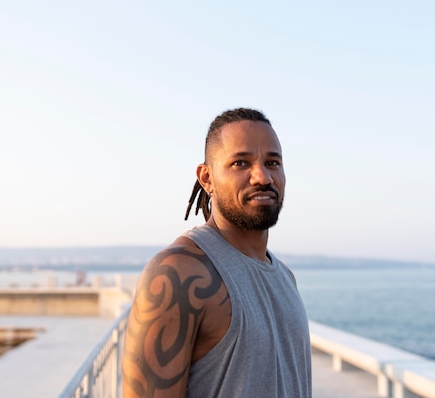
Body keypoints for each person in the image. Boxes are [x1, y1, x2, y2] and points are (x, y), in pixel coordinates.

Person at [122, 108, 312, 398]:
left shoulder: (285, 276)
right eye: (240, 163)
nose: (262, 176)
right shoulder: (178, 273)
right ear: (206, 178)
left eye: (272, 162)